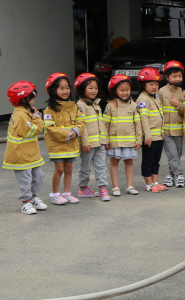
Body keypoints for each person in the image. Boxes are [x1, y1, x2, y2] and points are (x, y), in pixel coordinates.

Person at [3, 81, 49, 215]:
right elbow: (33, 130)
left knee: (39, 176)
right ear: (24, 99)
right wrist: (37, 118)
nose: (34, 100)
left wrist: (34, 116)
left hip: (30, 154)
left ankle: (33, 198)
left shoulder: (25, 112)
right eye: (32, 98)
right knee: (25, 180)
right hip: (20, 156)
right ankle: (25, 202)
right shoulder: (21, 115)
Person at [42, 72, 83, 205]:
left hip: (71, 144)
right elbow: (49, 128)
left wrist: (76, 131)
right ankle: (55, 194)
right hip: (57, 145)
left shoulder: (74, 106)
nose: (65, 91)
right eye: (61, 88)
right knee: (59, 169)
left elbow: (81, 120)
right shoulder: (49, 110)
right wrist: (67, 133)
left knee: (69, 169)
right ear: (53, 90)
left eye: (67, 88)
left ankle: (67, 193)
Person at [74, 73, 110, 201]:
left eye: (95, 88)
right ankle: (83, 188)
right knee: (85, 167)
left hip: (100, 143)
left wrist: (105, 140)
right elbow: (81, 126)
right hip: (88, 144)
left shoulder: (96, 105)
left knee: (101, 166)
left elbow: (102, 124)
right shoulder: (80, 105)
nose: (94, 90)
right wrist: (84, 143)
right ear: (81, 89)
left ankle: (103, 189)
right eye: (90, 88)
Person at [104, 74, 142, 196]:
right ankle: (115, 186)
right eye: (121, 90)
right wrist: (105, 139)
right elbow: (105, 124)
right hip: (115, 140)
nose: (125, 93)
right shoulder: (110, 105)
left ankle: (130, 185)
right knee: (114, 162)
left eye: (127, 90)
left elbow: (138, 124)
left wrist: (139, 140)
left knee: (129, 162)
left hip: (130, 140)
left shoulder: (134, 105)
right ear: (115, 91)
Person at [136, 67, 167, 193]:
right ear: (143, 85)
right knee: (148, 161)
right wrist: (147, 136)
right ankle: (148, 183)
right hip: (150, 137)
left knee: (156, 160)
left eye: (157, 84)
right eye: (151, 84)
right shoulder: (143, 99)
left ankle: (155, 181)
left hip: (159, 136)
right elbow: (144, 119)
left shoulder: (155, 97)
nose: (154, 87)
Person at [159, 60, 185, 188]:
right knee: (172, 153)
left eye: (179, 76)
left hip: (179, 129)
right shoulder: (161, 92)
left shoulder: (183, 92)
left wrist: (178, 105)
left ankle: (170, 174)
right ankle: (180, 174)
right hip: (165, 130)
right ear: (166, 77)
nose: (177, 78)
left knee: (178, 153)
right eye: (174, 76)